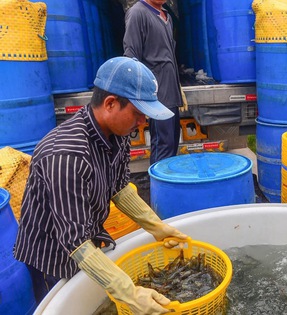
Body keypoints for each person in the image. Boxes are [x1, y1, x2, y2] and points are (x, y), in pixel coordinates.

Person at [13, 56, 188, 314]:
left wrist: (157, 227)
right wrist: (129, 293)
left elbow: (119, 187)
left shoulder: (119, 133)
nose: (143, 123)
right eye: (139, 114)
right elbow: (74, 241)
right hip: (50, 255)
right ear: (110, 104)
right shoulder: (67, 155)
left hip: (84, 239)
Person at [123, 0, 183, 164]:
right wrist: (141, 97)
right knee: (163, 145)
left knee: (171, 144)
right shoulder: (138, 13)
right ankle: (159, 189)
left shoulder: (166, 16)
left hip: (171, 93)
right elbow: (131, 56)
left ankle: (169, 186)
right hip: (157, 95)